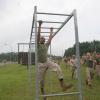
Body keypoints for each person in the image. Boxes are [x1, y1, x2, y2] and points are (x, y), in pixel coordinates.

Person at [37, 20, 72, 99]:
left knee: (58, 67)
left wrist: (51, 31)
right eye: (42, 38)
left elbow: (50, 38)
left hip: (47, 61)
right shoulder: (38, 45)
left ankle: (63, 86)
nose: (43, 39)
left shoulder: (46, 45)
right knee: (41, 81)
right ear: (39, 40)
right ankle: (43, 94)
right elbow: (38, 35)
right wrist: (39, 25)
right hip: (40, 64)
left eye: (43, 38)